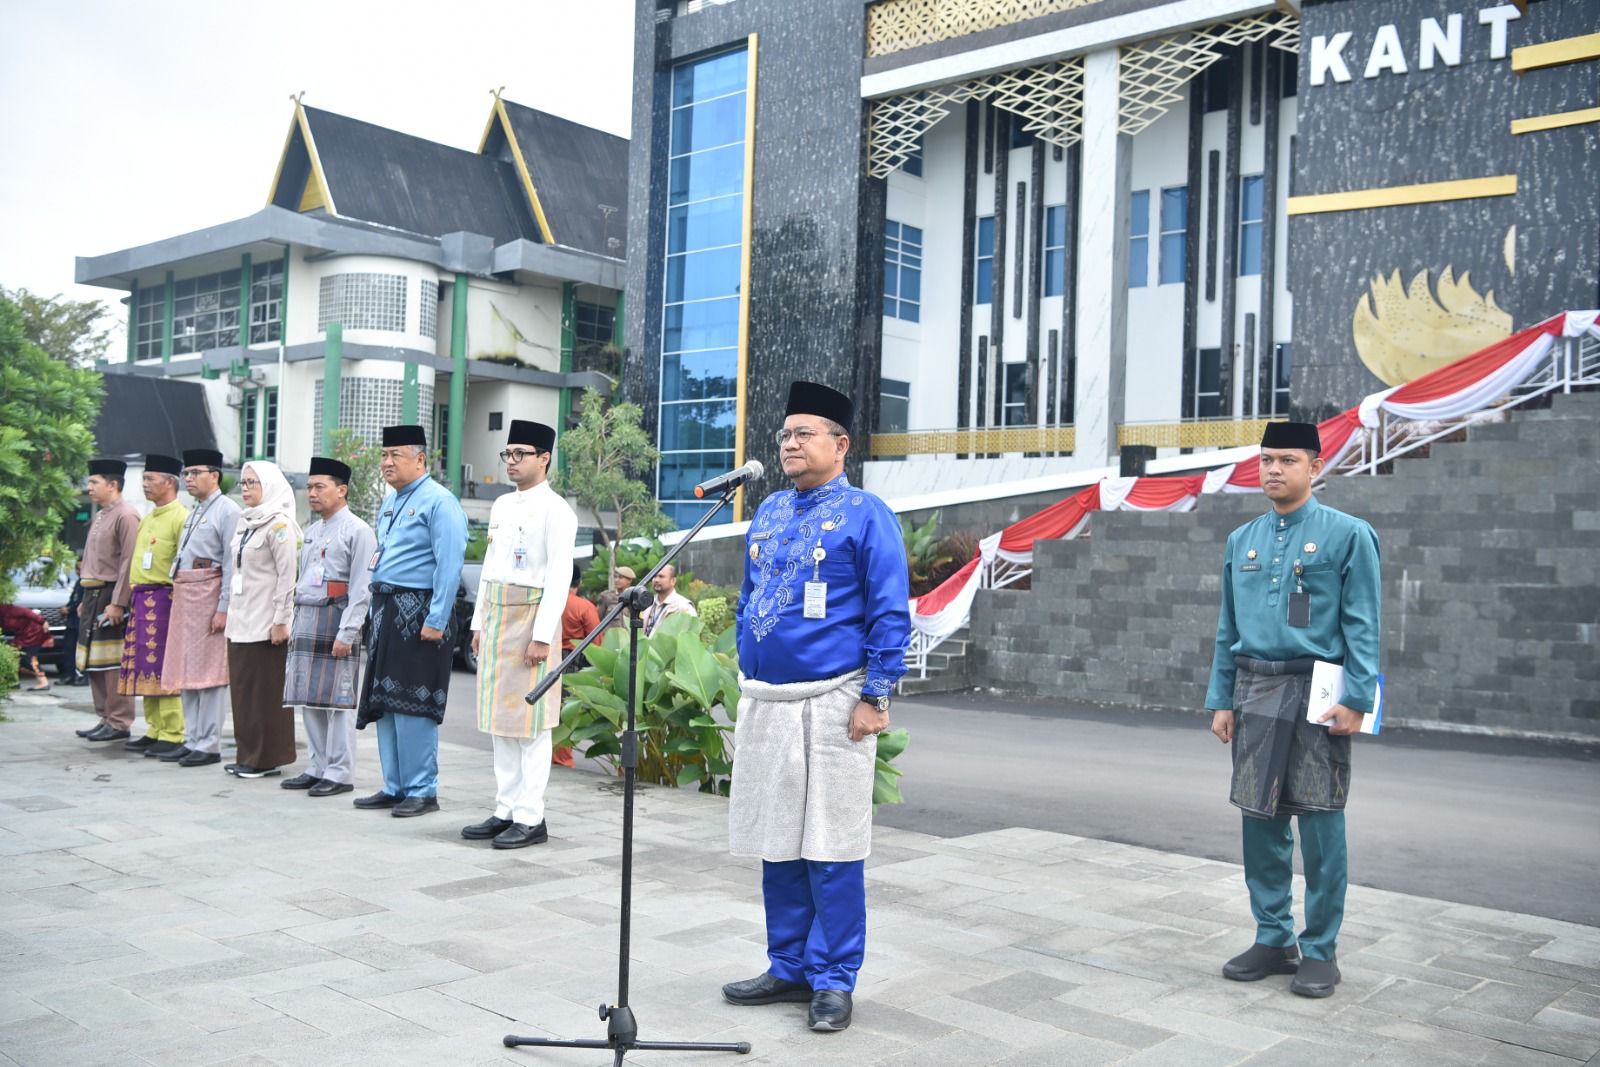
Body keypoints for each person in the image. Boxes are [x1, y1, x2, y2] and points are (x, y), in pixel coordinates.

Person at [722, 381, 911, 1033]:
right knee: (780, 840)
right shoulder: (770, 509)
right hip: (770, 701)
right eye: (784, 434)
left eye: (805, 432)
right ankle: (789, 965)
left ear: (841, 443)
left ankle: (834, 978)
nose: (790, 443)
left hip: (835, 701)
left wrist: (875, 694)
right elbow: (750, 596)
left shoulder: (867, 513)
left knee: (831, 845)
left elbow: (891, 611)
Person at [1206, 421, 1381, 1000]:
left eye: (1286, 460)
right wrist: (1221, 698)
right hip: (1256, 691)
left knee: (1322, 822)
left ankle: (1321, 950)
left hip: (1320, 692)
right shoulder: (1242, 541)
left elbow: (1363, 622)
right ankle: (1273, 937)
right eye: (1265, 461)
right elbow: (1227, 627)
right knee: (1260, 822)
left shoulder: (1349, 534)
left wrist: (1359, 697)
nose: (1274, 470)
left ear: (1315, 467)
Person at [461, 420, 576, 849]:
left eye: (520, 454)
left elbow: (560, 578)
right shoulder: (502, 507)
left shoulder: (557, 511)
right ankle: (504, 809)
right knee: (500, 722)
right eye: (507, 454)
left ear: (544, 458)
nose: (511, 462)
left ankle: (531, 817)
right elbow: (490, 570)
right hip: (496, 617)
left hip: (532, 621)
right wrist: (477, 623)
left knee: (531, 725)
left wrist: (543, 636)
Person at [354, 425, 468, 818]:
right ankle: (395, 786)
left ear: (420, 459)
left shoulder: (441, 502)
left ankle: (423, 789)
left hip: (419, 613)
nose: (386, 462)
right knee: (385, 702)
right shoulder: (390, 502)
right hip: (386, 611)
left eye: (396, 455)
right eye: (384, 455)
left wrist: (437, 618)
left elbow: (450, 565)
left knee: (413, 703)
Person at [281, 457, 375, 797]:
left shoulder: (359, 531)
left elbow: (362, 586)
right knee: (309, 697)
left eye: (320, 487)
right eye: (309, 487)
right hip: (308, 616)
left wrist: (347, 632)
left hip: (336, 620)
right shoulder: (312, 531)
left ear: (342, 489)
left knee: (337, 700)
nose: (312, 493)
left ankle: (339, 772)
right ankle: (317, 766)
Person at [158, 449, 242, 767]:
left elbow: (234, 564)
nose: (189, 479)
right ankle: (192, 738)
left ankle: (208, 744)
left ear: (214, 475)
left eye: (195, 473)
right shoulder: (195, 510)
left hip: (209, 595)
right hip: (186, 594)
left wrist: (224, 607)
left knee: (210, 673)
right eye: (187, 474)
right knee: (186, 669)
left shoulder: (228, 511)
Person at [224, 461, 301, 779]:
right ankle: (248, 754)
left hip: (266, 623)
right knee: (243, 693)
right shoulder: (246, 523)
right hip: (240, 620)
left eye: (252, 483)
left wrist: (282, 619)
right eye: (242, 483)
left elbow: (287, 577)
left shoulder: (279, 525)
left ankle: (265, 758)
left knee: (264, 694)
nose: (245, 489)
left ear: (268, 485)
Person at [120, 455, 189, 757]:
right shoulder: (148, 517)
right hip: (141, 599)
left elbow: (183, 563)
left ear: (170, 482)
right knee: (144, 669)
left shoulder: (181, 517)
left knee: (164, 668)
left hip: (165, 599)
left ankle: (174, 732)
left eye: (151, 479)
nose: (145, 484)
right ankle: (154, 728)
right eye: (144, 479)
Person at [76, 459, 141, 741]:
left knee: (113, 662)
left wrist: (118, 603)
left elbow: (128, 563)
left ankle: (119, 721)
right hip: (92, 594)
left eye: (94, 482)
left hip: (111, 593)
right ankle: (104, 717)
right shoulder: (102, 514)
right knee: (93, 659)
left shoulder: (126, 515)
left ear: (113, 485)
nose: (89, 488)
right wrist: (83, 599)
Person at [553, 561, 597, 767]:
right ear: (578, 582)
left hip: (546, 657)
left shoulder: (547, 601)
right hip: (572, 661)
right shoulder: (585, 607)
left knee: (547, 707)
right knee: (566, 711)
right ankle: (562, 757)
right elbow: (595, 643)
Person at [1, 604, 53, 689]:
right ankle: (13, 681)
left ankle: (44, 682)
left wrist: (43, 621)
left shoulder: (8, 609)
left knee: (29, 658)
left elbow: (28, 612)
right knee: (13, 656)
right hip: (21, 634)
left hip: (34, 632)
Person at [640, 563, 696, 636]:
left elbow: (691, 635)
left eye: (661, 576)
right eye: (654, 576)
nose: (656, 580)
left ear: (673, 581)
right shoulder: (648, 604)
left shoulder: (683, 606)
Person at [60, 563, 86, 686]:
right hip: (72, 623)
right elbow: (73, 600)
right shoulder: (78, 583)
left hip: (81, 622)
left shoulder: (88, 584)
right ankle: (69, 675)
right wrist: (66, 608)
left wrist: (69, 609)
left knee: (80, 651)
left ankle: (81, 677)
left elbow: (83, 602)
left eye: (80, 568)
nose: (78, 571)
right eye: (76, 568)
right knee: (69, 650)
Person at [595, 564, 634, 629]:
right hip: (610, 636)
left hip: (628, 637)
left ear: (629, 580)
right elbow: (597, 619)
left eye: (620, 577)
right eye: (615, 577)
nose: (616, 580)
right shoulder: (606, 597)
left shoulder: (634, 597)